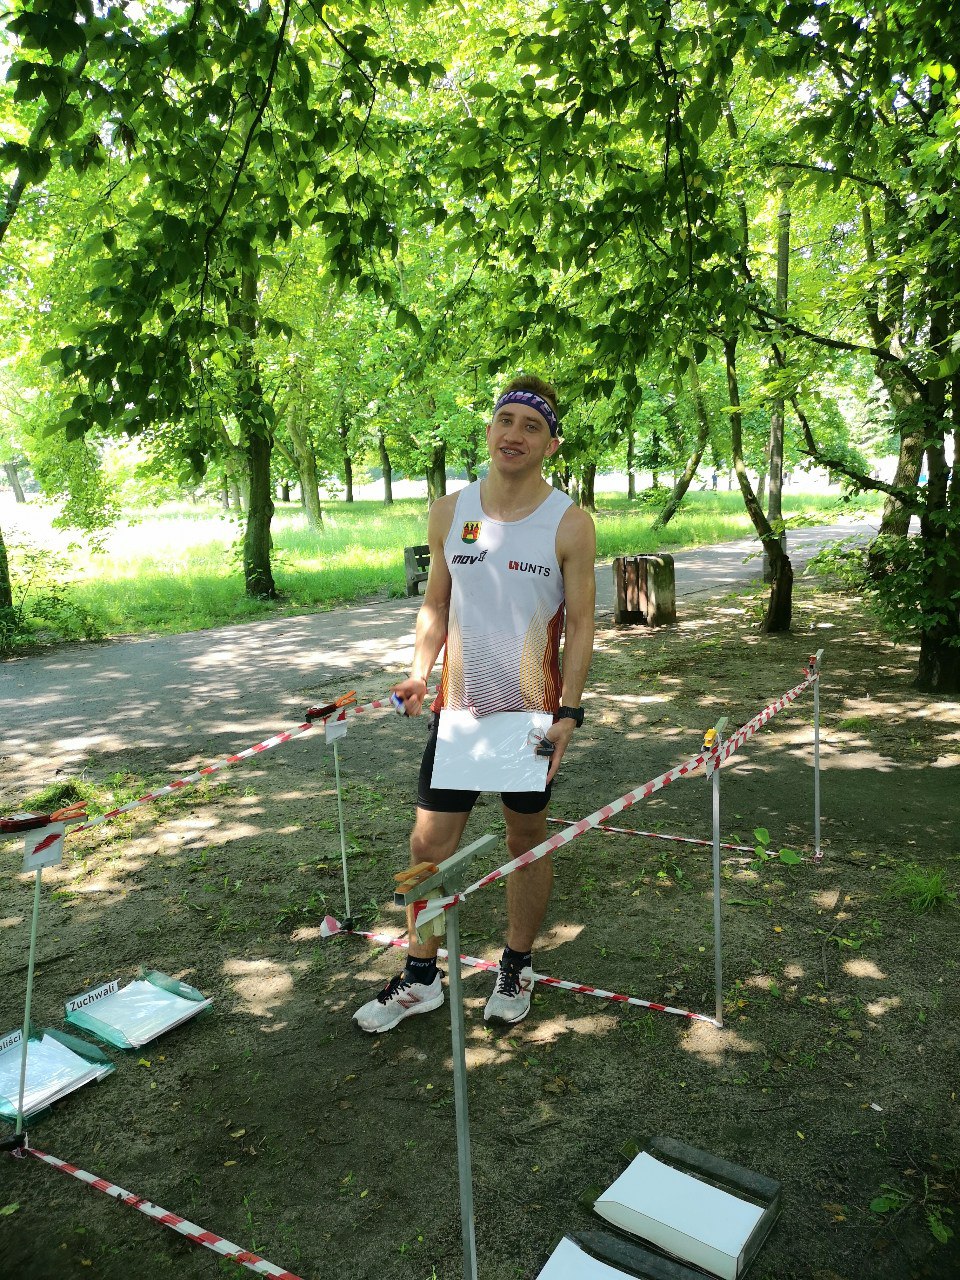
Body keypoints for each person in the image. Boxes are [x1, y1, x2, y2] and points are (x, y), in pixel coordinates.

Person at [353, 375, 596, 1033]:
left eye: (532, 426)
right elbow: (436, 603)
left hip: (530, 713)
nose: (514, 434)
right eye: (505, 420)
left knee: (524, 840)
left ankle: (516, 964)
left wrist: (570, 712)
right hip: (459, 710)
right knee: (427, 842)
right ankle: (420, 976)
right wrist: (417, 673)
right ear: (489, 430)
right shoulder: (449, 511)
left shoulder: (569, 522)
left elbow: (581, 624)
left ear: (551, 443)